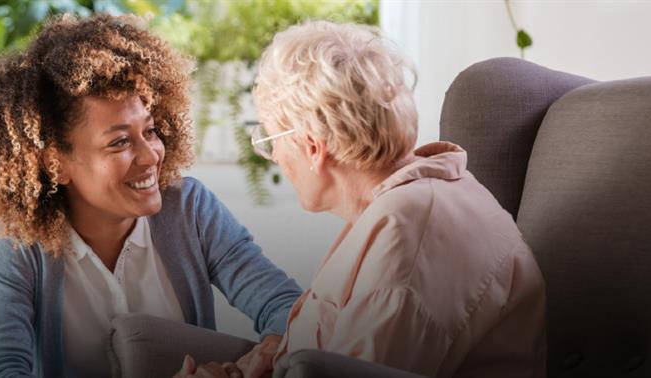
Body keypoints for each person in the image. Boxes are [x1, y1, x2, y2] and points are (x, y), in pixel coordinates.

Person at [178, 21, 546, 378]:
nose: (273, 155)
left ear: (312, 147)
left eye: (271, 139)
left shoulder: (406, 234)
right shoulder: (405, 203)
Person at [0, 14, 302, 378]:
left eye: (150, 131)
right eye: (119, 142)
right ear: (55, 163)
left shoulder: (191, 209)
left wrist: (266, 354)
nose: (151, 154)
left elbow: (286, 307)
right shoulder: (15, 239)